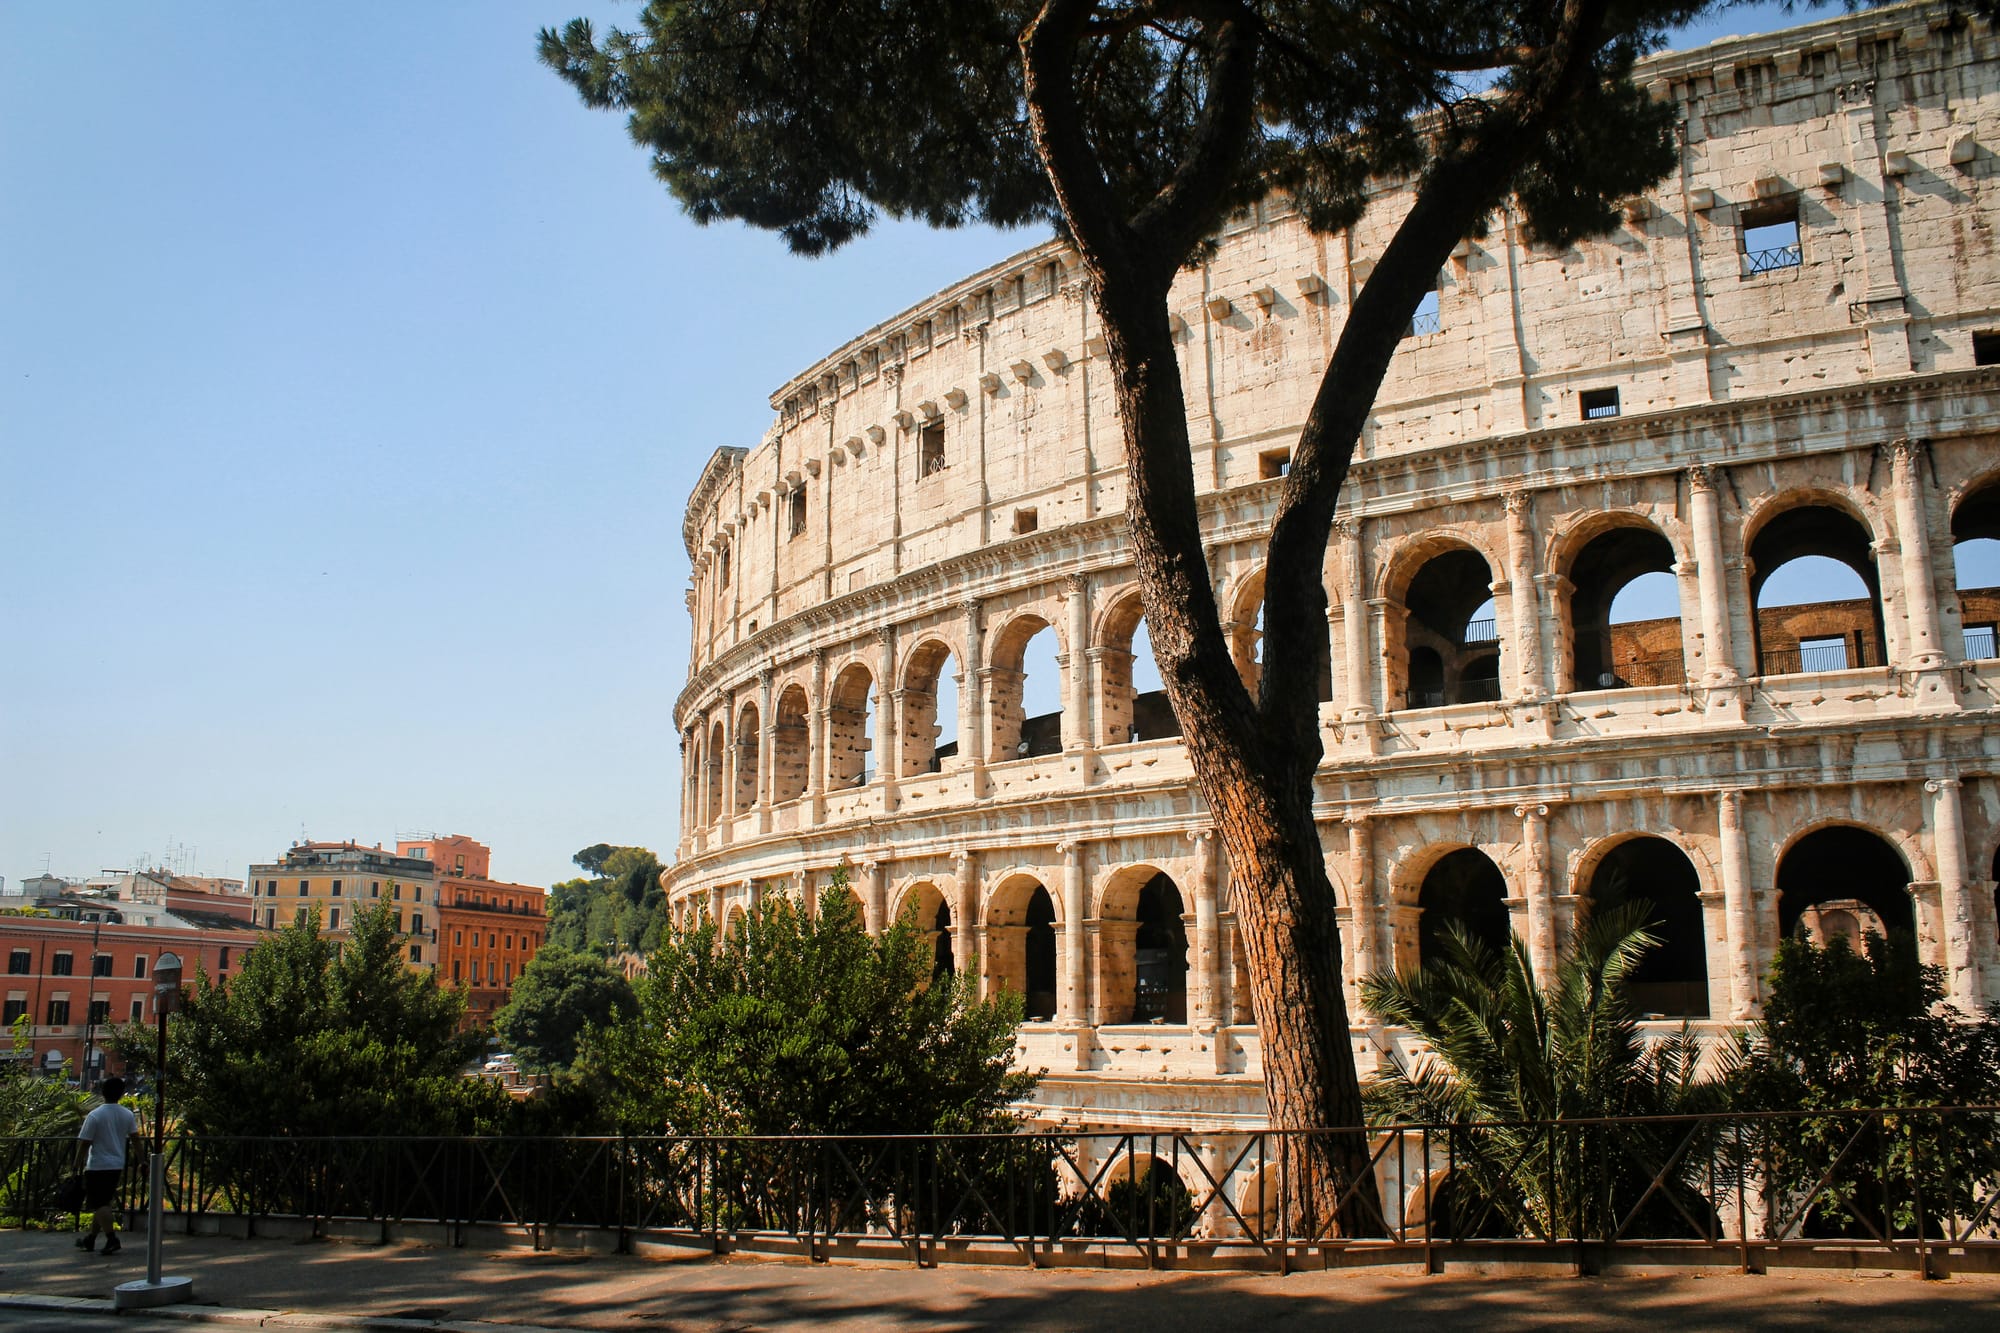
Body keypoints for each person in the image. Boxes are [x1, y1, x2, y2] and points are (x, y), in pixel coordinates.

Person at [72, 1076, 137, 1256]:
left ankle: (111, 1238)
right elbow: (135, 1139)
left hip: (98, 1164)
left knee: (98, 1203)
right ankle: (91, 1238)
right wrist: (143, 1159)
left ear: (102, 1092)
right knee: (103, 1203)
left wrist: (76, 1165)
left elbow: (84, 1143)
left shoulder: (95, 1115)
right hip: (117, 1163)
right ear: (122, 1094)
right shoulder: (127, 1114)